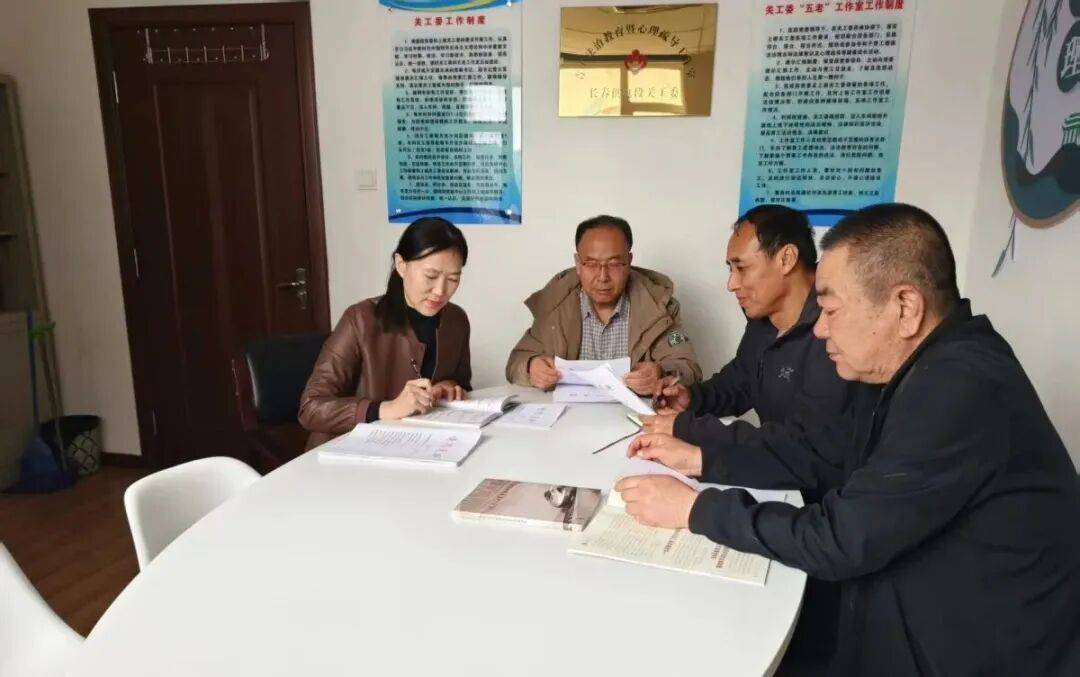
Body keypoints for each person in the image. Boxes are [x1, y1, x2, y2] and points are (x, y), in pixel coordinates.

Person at [618, 204, 1080, 675]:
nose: (819, 329)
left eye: (831, 310)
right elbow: (822, 452)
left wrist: (694, 510)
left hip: (970, 648)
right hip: (903, 609)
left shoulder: (958, 385)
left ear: (905, 308)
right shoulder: (914, 367)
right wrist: (703, 459)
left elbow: (842, 539)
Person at [643, 206, 863, 470]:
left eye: (742, 268)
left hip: (820, 485)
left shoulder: (835, 330)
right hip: (774, 470)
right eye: (730, 269)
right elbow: (741, 381)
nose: (731, 284)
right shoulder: (763, 318)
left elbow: (802, 442)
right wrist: (692, 399)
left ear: (786, 259)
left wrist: (688, 429)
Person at [299, 217, 472, 449]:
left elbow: (462, 383)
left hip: (419, 446)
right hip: (350, 451)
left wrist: (448, 387)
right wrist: (386, 409)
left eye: (453, 279)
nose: (440, 291)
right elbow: (310, 408)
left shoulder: (456, 320)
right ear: (401, 265)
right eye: (431, 276)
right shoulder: (359, 320)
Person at [505, 215, 701, 395]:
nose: (602, 277)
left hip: (634, 416)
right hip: (569, 416)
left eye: (614, 264)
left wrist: (661, 373)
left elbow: (689, 368)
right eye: (591, 264)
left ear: (629, 261)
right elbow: (516, 362)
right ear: (578, 264)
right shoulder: (555, 305)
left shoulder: (659, 307)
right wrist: (531, 367)